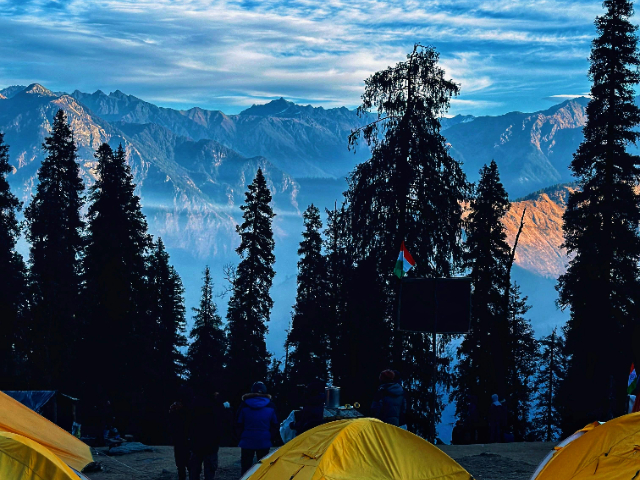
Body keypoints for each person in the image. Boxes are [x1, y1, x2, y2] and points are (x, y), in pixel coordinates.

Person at [237, 381, 278, 475]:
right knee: (263, 467)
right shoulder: (271, 405)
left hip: (247, 440)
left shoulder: (244, 405)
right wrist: (270, 436)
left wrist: (241, 436)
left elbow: (238, 423)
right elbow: (275, 424)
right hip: (264, 439)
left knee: (246, 467)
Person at [189, 392, 224, 480]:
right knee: (209, 472)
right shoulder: (216, 406)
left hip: (196, 443)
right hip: (211, 444)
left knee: (194, 471)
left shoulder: (194, 403)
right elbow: (221, 424)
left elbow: (189, 423)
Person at [169, 387, 192, 480]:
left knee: (184, 464)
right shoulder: (186, 410)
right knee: (184, 464)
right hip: (183, 439)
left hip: (182, 439)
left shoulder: (177, 411)